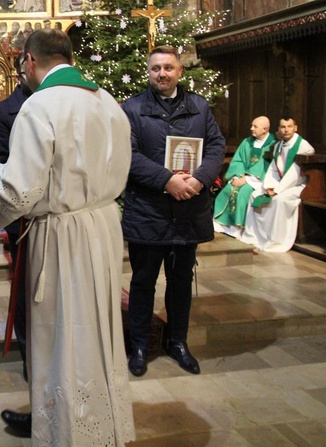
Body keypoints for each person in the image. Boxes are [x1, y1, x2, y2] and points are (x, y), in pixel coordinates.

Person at [0, 29, 135, 445]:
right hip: (103, 227)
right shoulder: (108, 102)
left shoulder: (40, 106)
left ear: (30, 62)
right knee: (96, 328)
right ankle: (98, 421)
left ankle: (68, 428)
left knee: (64, 331)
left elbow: (19, 192)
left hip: (62, 235)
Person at [121, 46, 225, 378]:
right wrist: (168, 181)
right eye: (155, 69)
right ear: (147, 72)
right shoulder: (132, 109)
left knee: (180, 282)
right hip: (148, 211)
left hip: (187, 212)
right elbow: (129, 154)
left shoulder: (199, 107)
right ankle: (138, 345)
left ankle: (177, 342)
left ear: (180, 70)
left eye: (168, 68)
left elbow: (215, 146)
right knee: (143, 282)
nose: (161, 74)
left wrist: (199, 179)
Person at [0, 51, 32, 381]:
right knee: (27, 292)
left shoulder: (61, 104)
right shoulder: (3, 111)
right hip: (26, 220)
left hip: (62, 218)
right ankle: (30, 355)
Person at [240, 117, 315, 252]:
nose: (286, 130)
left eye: (289, 126)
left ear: (295, 128)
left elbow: (295, 174)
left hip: (299, 186)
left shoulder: (303, 146)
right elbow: (273, 169)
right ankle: (253, 236)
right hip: (279, 184)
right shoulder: (278, 145)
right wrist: (268, 186)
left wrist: (277, 190)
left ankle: (276, 241)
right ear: (279, 129)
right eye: (283, 127)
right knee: (255, 194)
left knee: (279, 200)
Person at [213, 116, 276, 238]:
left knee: (243, 193)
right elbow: (238, 160)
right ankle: (224, 226)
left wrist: (247, 179)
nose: (251, 128)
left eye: (255, 126)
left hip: (259, 181)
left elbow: (267, 167)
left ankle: (238, 228)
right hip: (241, 177)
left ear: (265, 129)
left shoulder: (273, 144)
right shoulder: (247, 142)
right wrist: (237, 176)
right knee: (227, 190)